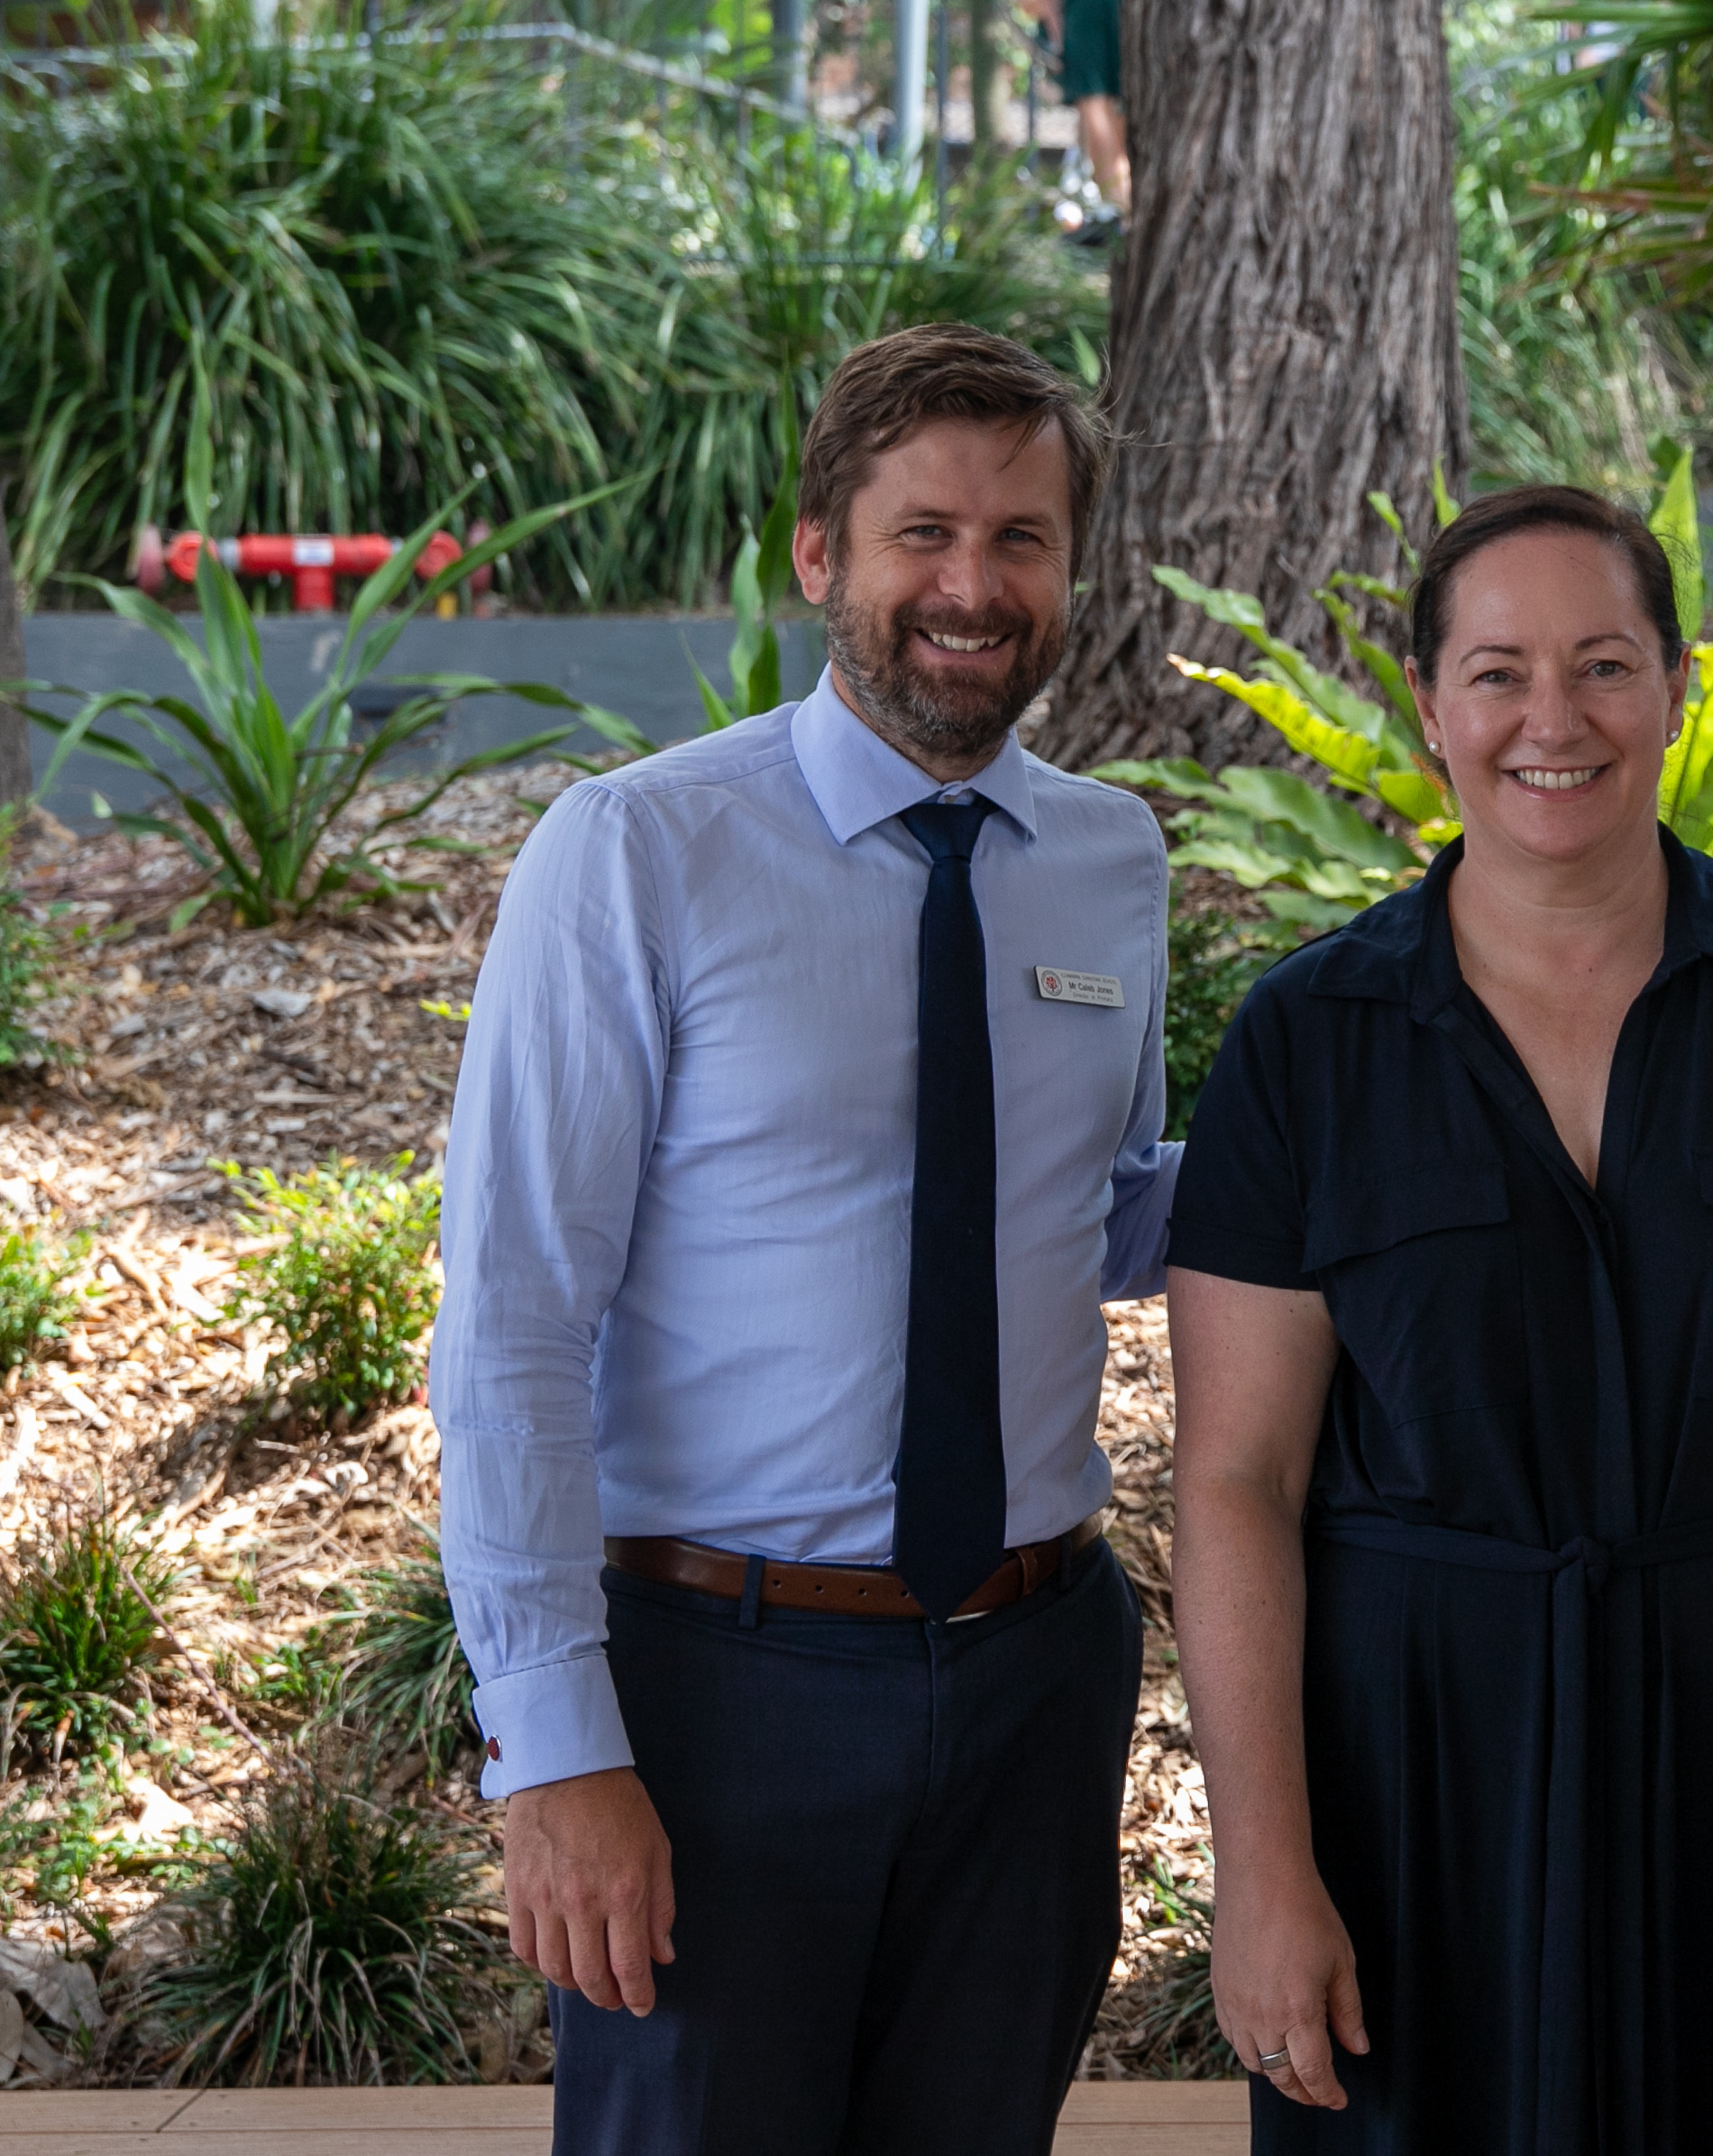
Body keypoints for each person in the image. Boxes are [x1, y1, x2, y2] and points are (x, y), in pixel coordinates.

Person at [1164, 484, 1713, 2151]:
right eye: (1498, 672)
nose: (1554, 719)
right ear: (1428, 706)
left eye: (1605, 664)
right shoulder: (1306, 1042)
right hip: (1418, 1782)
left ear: (1675, 690)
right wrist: (1262, 1872)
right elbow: (1235, 1479)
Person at [435, 322, 1169, 2155]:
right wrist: (555, 1744)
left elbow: (1109, 1206)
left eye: (1019, 539)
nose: (971, 587)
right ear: (818, 553)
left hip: (1029, 1676)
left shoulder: (1110, 858)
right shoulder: (637, 852)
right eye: (923, 533)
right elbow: (514, 1316)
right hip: (715, 1691)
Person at [1034, 0, 1130, 220]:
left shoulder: (1081, 17)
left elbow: (1096, 114)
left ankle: (1117, 210)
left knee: (1096, 108)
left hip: (1085, 13)